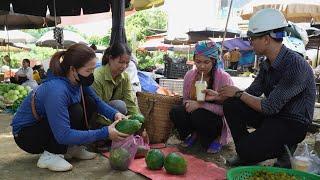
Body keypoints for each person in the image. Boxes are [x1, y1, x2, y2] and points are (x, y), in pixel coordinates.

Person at [205, 9, 316, 167]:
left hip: (293, 122)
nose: (250, 43)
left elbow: (269, 107)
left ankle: (284, 149)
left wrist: (238, 93)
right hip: (274, 117)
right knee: (232, 104)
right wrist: (219, 96)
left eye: (252, 38)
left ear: (266, 39)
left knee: (248, 149)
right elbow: (251, 93)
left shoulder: (296, 65)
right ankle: (247, 152)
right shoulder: (266, 64)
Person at [11, 44, 129, 172]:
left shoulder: (77, 80)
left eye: (93, 70)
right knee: (75, 110)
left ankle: (72, 147)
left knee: (88, 102)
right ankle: (51, 155)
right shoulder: (56, 90)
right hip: (26, 135)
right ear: (73, 69)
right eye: (88, 71)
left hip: (45, 125)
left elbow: (97, 101)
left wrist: (115, 114)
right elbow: (63, 135)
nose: (91, 75)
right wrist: (105, 132)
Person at [169, 40, 233, 153]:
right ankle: (194, 134)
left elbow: (227, 110)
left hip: (215, 119)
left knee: (200, 114)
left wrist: (201, 104)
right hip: (196, 114)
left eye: (206, 62)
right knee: (176, 111)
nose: (202, 66)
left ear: (214, 61)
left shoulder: (224, 78)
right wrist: (188, 104)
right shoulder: (190, 76)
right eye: (198, 62)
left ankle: (216, 138)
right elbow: (185, 99)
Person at [92, 43, 139, 119]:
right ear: (110, 59)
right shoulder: (97, 77)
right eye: (121, 62)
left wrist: (137, 119)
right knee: (120, 105)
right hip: (98, 116)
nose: (124, 66)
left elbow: (130, 102)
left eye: (127, 63)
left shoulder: (125, 77)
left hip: (116, 116)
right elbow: (97, 107)